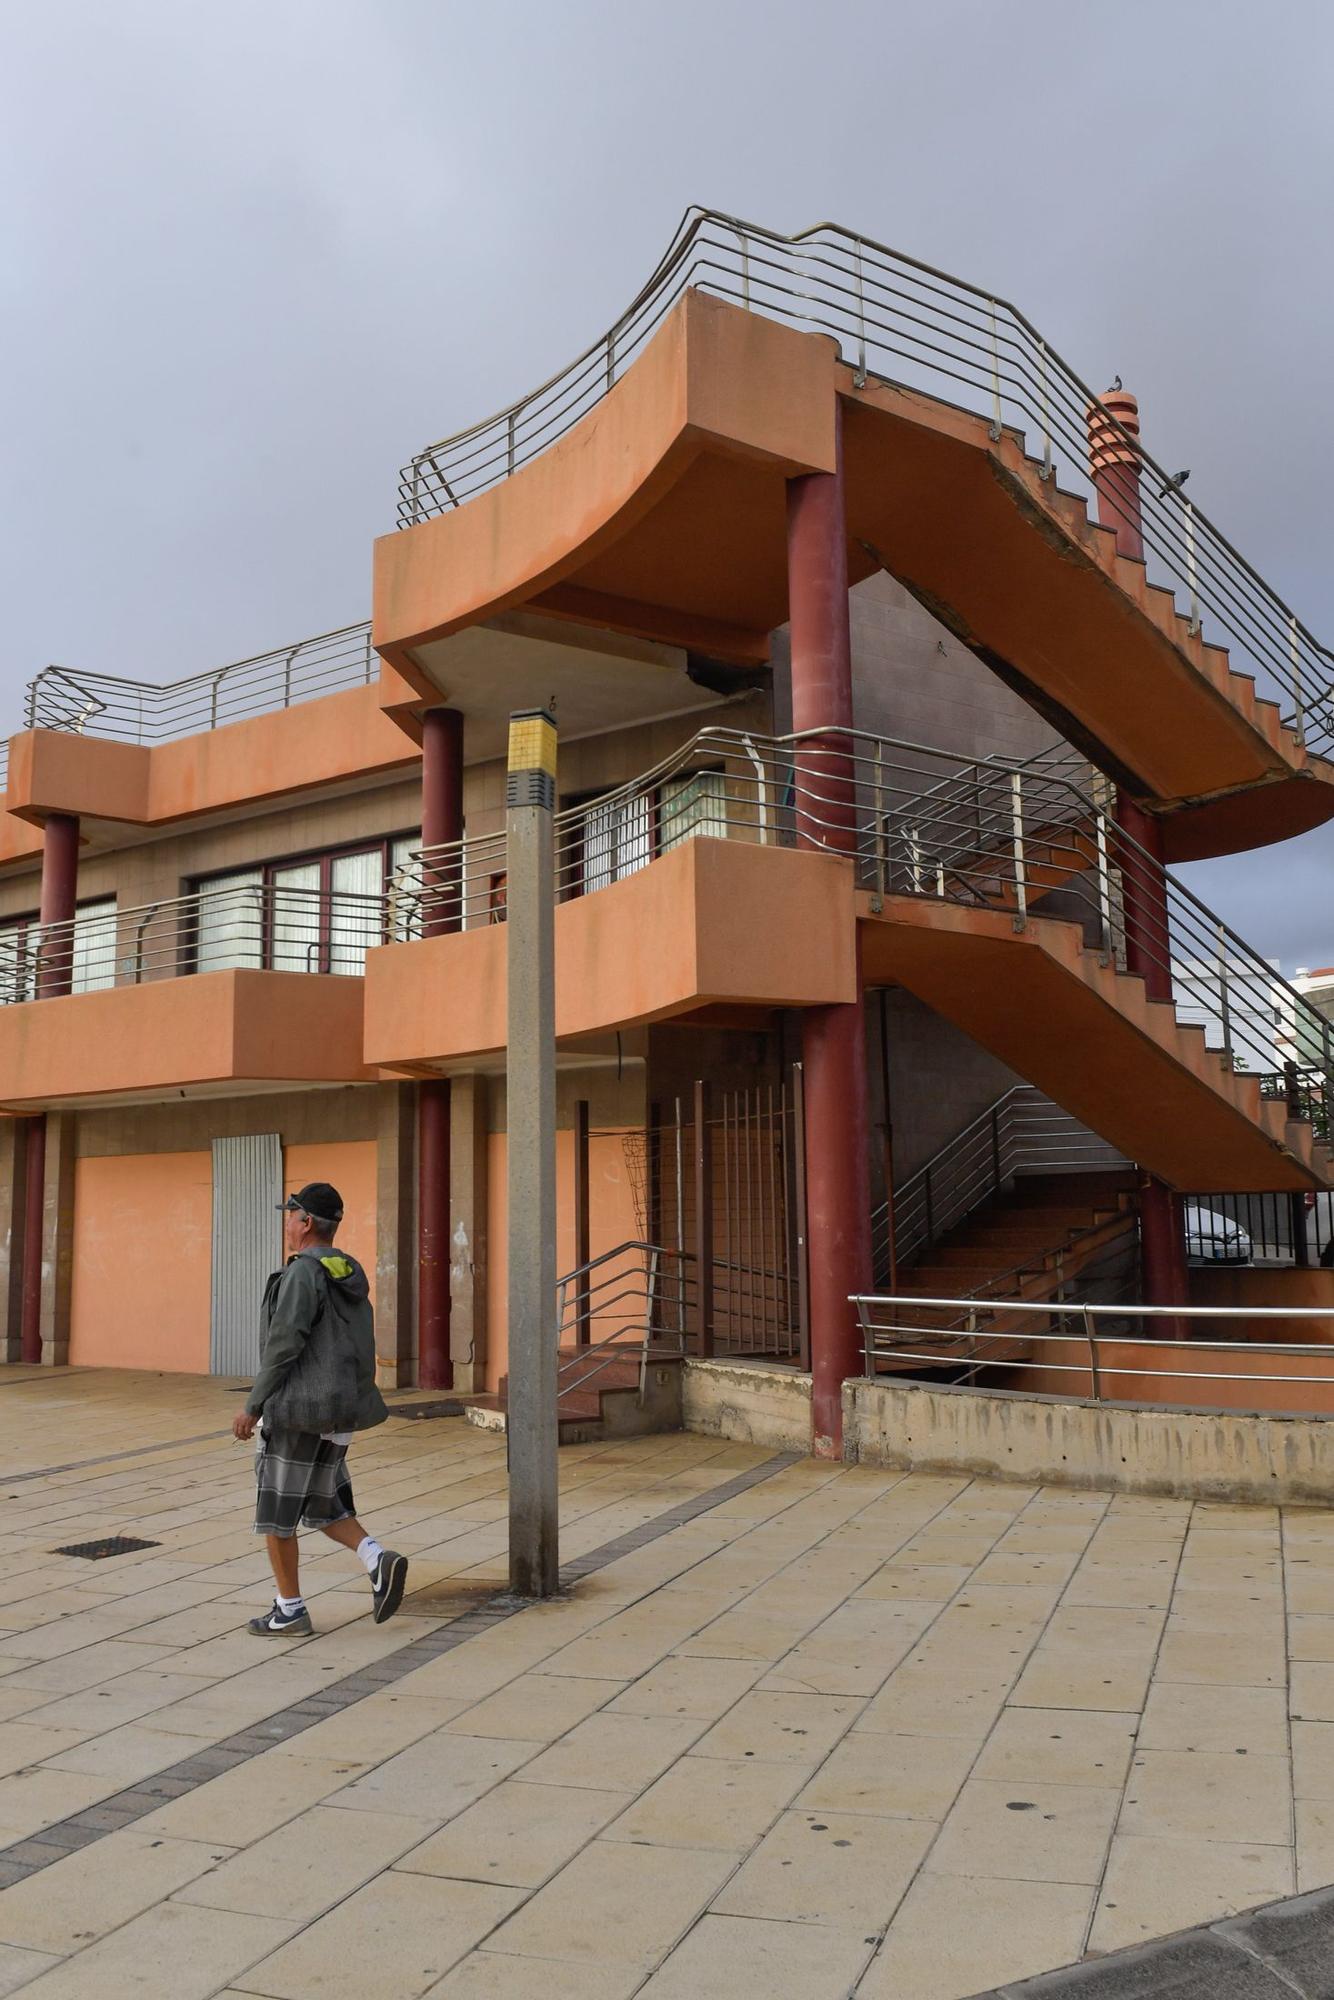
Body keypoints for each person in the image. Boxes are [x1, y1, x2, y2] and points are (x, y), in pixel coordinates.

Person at [232, 1181, 408, 1637]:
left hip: (300, 1409)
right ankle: (376, 1558)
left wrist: (254, 1405)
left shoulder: (302, 1274)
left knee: (276, 1511)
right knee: (321, 1501)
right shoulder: (345, 1270)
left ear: (306, 1222)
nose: (286, 1225)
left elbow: (284, 1344)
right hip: (341, 1410)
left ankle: (289, 1609)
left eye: (290, 1217)